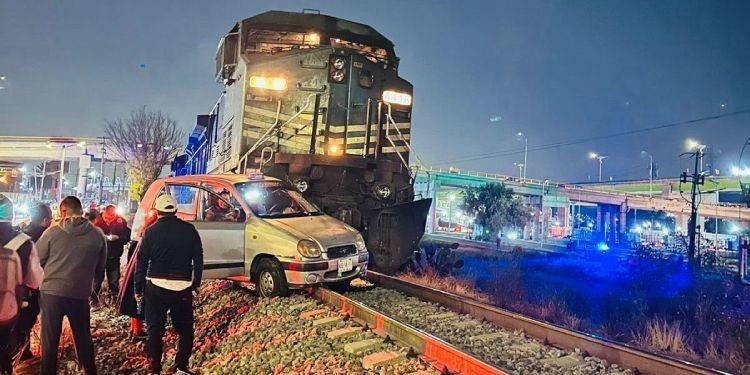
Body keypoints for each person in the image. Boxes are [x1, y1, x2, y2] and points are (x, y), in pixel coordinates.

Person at [36, 196, 107, 375]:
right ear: (81, 211)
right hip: (80, 294)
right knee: (83, 338)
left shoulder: (52, 233)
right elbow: (101, 266)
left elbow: (37, 259)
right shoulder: (97, 234)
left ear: (63, 211)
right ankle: (89, 371)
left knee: (50, 341)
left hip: (52, 294)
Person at [135, 194, 203, 375]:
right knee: (186, 330)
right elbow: (198, 258)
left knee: (155, 330)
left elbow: (141, 262)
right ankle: (181, 367)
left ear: (157, 212)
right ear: (175, 210)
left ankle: (154, 368)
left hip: (155, 286)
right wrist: (196, 283)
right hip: (182, 287)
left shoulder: (150, 232)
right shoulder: (190, 230)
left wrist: (138, 288)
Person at [0, 195, 44, 374]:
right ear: (12, 215)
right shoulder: (24, 242)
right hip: (7, 309)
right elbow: (35, 281)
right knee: (4, 345)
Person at [10, 203, 52, 362]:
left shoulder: (18, 235)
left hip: (9, 287)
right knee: (25, 322)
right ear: (45, 219)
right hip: (28, 289)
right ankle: (21, 354)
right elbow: (35, 274)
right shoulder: (44, 236)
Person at [117, 208, 158, 341]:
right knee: (138, 304)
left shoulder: (141, 237)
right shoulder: (148, 238)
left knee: (136, 304)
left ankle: (135, 329)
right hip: (139, 278)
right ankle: (137, 331)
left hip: (135, 277)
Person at [92, 205, 131, 303]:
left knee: (114, 279)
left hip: (114, 255)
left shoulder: (120, 221)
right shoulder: (97, 221)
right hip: (98, 256)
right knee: (96, 279)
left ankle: (113, 298)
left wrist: (118, 238)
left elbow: (127, 236)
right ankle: (94, 299)